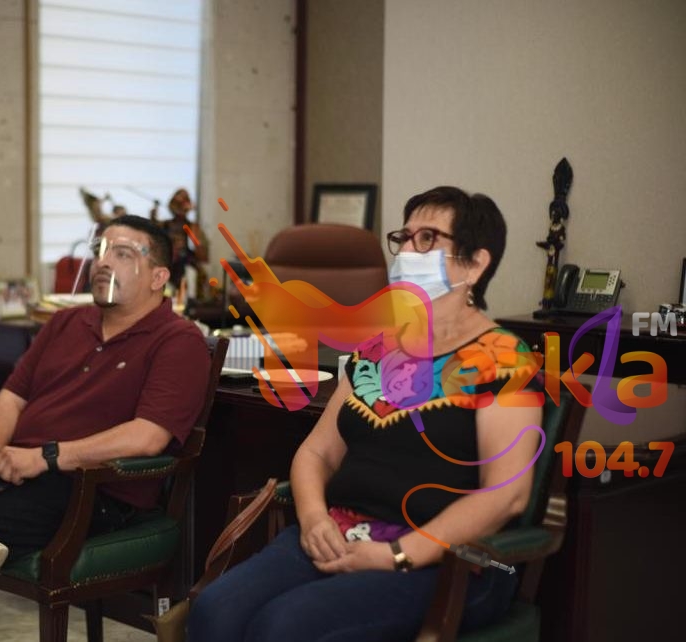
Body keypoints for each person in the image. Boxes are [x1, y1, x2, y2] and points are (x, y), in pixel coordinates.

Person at [188, 186, 543, 641]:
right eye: (404, 237)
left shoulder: (505, 359)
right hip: (342, 532)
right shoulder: (376, 349)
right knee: (214, 611)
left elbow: (507, 495)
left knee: (284, 627)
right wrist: (314, 518)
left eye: (428, 239)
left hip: (449, 560)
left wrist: (398, 553)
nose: (408, 251)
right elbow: (317, 453)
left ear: (476, 264)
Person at [0, 214, 211, 642]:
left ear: (158, 277)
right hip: (13, 464)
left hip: (87, 488)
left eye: (123, 254)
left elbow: (148, 437)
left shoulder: (178, 340)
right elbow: (8, 401)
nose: (103, 262)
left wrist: (45, 457)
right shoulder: (65, 323)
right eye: (100, 250)